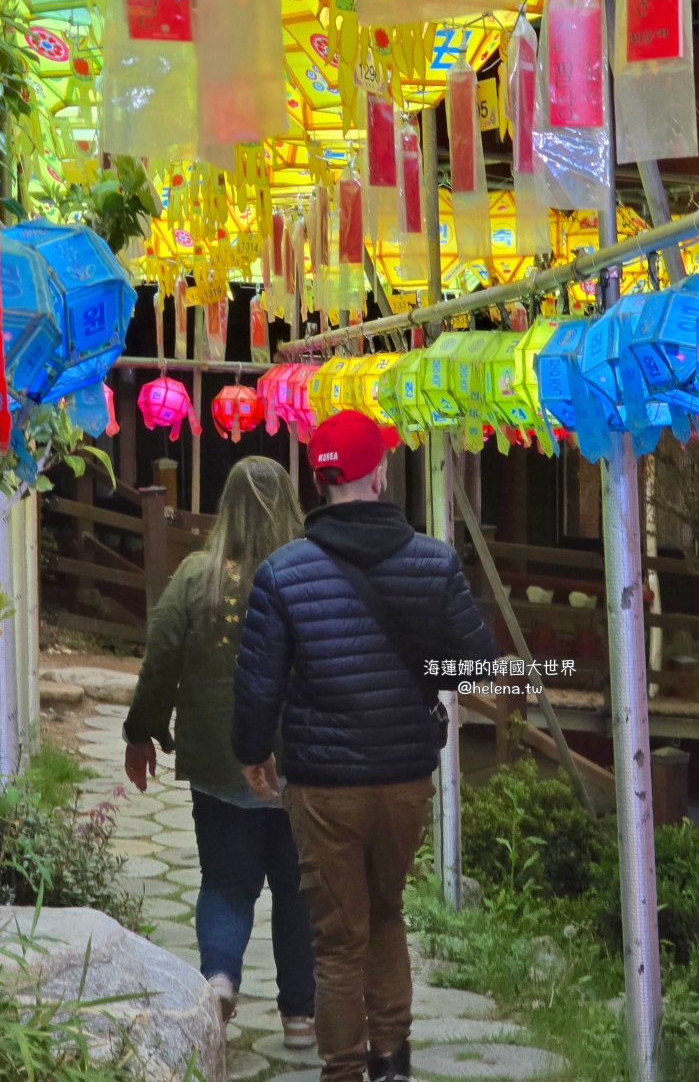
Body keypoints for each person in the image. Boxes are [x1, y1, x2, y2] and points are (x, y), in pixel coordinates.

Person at [232, 409, 499, 1082]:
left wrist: (253, 751)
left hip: (324, 784)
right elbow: (479, 667)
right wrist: (423, 676)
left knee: (337, 939)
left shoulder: (282, 572)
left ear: (321, 484)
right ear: (380, 475)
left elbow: (259, 685)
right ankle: (393, 1061)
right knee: (386, 914)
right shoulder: (435, 563)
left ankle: (344, 1070)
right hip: (406, 776)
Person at [123, 456, 316, 1047]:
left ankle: (221, 980)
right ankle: (301, 1017)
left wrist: (142, 732)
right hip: (300, 762)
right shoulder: (310, 573)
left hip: (219, 760)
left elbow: (161, 657)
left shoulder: (196, 576)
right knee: (298, 891)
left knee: (226, 882)